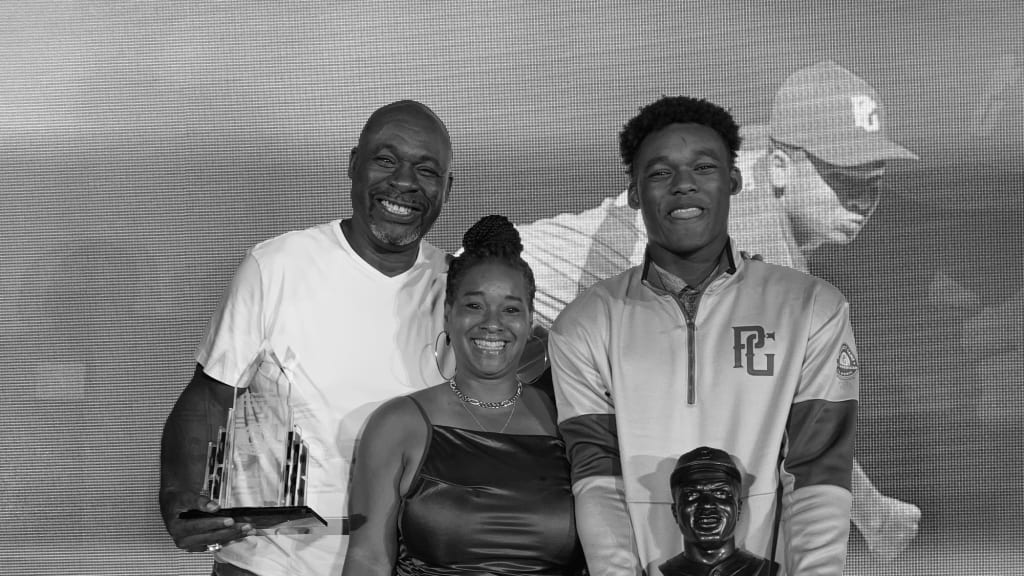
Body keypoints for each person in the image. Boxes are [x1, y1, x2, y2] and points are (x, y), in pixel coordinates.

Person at [519, 60, 920, 561]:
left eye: (873, 178)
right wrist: (874, 514)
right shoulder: (746, 244)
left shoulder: (756, 174)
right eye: (842, 175)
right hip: (486, 317)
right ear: (779, 167)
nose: (861, 197)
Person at [159, 99, 454, 576]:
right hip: (266, 564)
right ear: (353, 165)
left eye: (426, 170)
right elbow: (210, 397)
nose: (403, 182)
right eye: (385, 160)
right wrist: (179, 494)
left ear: (446, 188)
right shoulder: (277, 266)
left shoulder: (457, 289)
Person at [342, 215, 581, 576]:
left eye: (511, 309)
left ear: (530, 321)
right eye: (474, 305)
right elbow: (368, 560)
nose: (493, 323)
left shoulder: (566, 418)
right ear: (448, 315)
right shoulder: (399, 425)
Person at [659, 447, 778, 576]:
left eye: (720, 493)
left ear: (738, 508)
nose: (707, 504)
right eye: (692, 494)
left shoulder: (764, 570)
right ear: (675, 512)